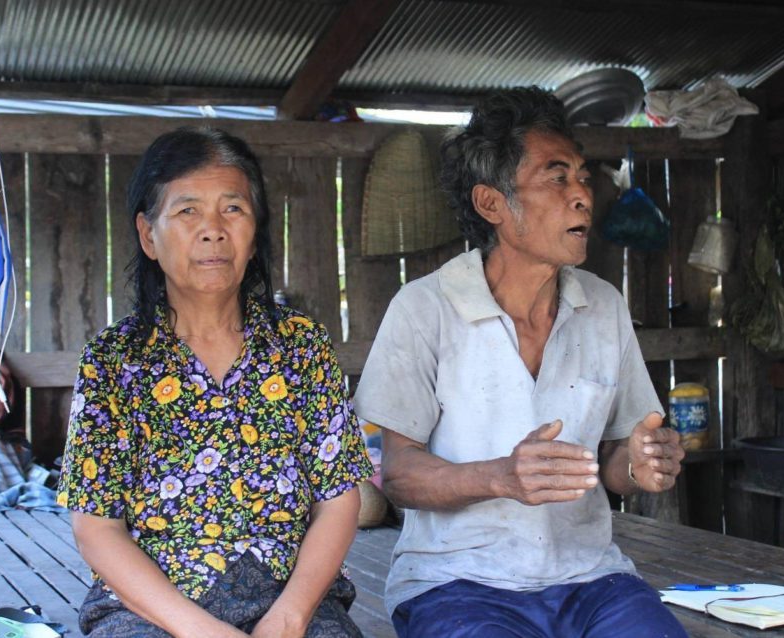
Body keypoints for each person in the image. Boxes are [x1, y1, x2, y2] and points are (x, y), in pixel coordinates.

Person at [352, 87, 688, 638]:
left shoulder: (602, 305)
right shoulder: (424, 309)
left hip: (591, 578)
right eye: (557, 178)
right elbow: (400, 475)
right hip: (457, 583)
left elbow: (611, 463)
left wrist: (639, 465)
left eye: (582, 176)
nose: (582, 195)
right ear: (492, 204)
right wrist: (502, 477)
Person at [57, 127, 372, 638]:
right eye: (187, 211)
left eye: (233, 209)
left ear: (255, 232)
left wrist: (290, 617)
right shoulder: (113, 360)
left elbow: (339, 499)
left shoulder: (301, 345)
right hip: (152, 606)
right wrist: (198, 630)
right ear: (147, 235)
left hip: (292, 598)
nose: (213, 230)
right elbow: (96, 527)